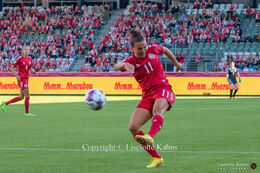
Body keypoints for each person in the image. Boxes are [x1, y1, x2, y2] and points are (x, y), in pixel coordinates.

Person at [114, 29, 182, 168]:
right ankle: (156, 158)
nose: (144, 50)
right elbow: (123, 66)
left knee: (158, 109)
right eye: (140, 48)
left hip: (163, 89)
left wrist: (176, 64)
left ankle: (150, 135)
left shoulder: (153, 49)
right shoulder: (131, 61)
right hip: (147, 95)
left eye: (144, 46)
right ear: (132, 48)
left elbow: (166, 50)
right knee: (133, 127)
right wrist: (120, 65)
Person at [1, 46, 37, 116]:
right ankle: (27, 113)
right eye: (25, 50)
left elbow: (29, 69)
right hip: (21, 78)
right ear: (23, 51)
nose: (26, 51)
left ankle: (5, 103)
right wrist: (16, 75)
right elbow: (11, 67)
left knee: (21, 97)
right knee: (28, 95)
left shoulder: (30, 59)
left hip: (26, 78)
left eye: (28, 50)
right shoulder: (19, 59)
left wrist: (33, 72)